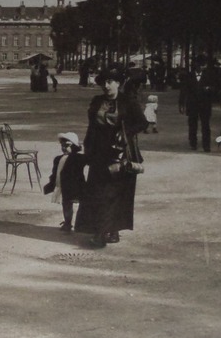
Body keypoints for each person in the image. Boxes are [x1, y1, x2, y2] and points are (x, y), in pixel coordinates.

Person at [76, 66, 148, 248]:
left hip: (120, 153)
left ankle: (106, 232)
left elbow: (142, 122)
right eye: (104, 82)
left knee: (116, 194)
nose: (106, 86)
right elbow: (92, 126)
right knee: (99, 193)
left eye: (110, 82)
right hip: (99, 152)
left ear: (118, 83)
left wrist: (126, 133)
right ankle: (103, 230)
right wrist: (87, 149)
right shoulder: (97, 101)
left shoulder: (128, 102)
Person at [43, 132, 87, 232]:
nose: (64, 148)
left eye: (67, 145)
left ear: (75, 146)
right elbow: (55, 172)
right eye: (62, 145)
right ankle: (67, 223)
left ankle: (83, 225)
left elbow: (89, 160)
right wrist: (52, 182)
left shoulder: (79, 158)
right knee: (66, 204)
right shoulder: (58, 159)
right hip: (64, 186)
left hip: (77, 185)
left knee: (83, 204)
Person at [177, 56, 217, 150]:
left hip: (205, 104)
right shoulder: (189, 76)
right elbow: (184, 90)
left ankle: (206, 145)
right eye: (198, 65)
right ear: (195, 65)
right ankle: (193, 143)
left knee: (206, 125)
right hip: (192, 104)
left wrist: (209, 89)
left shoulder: (209, 75)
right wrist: (181, 103)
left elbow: (215, 88)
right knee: (192, 125)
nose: (200, 67)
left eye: (202, 65)